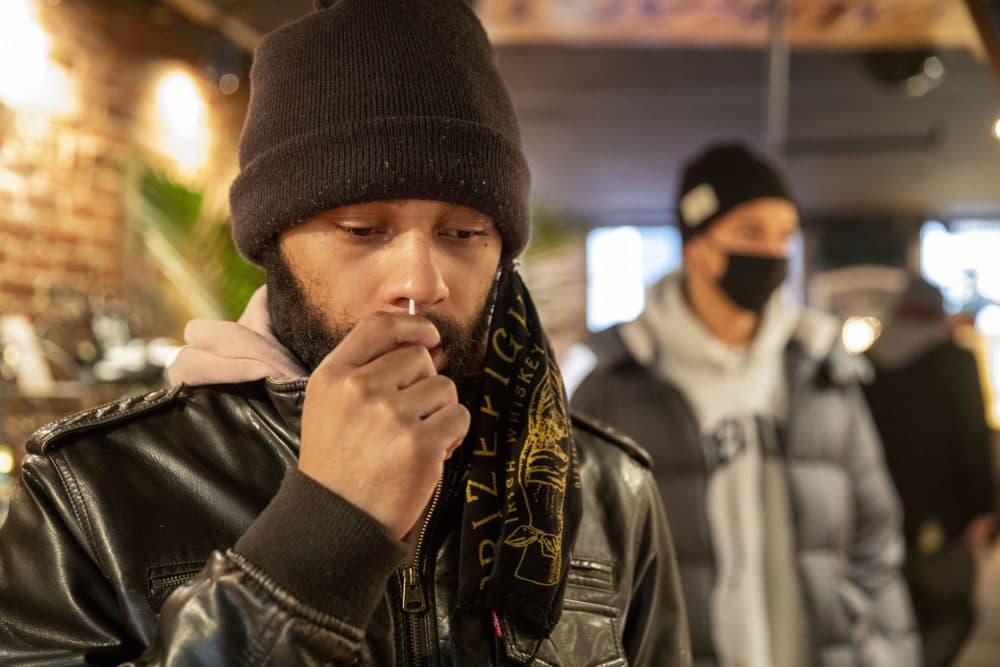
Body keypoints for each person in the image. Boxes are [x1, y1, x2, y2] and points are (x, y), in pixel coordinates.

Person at [0, 1, 691, 664]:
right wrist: (319, 539)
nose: (421, 282)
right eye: (363, 230)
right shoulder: (94, 490)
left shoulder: (606, 488)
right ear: (273, 243)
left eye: (463, 233)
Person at [571, 142, 919, 667]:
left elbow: (876, 537)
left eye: (784, 236)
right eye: (750, 233)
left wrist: (883, 652)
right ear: (697, 247)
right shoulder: (616, 385)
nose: (774, 254)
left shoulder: (824, 372)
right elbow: (586, 567)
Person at [864, 275, 997, 666]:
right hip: (942, 525)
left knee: (889, 624)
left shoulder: (868, 363)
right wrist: (984, 509)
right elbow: (973, 439)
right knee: (946, 618)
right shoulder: (955, 361)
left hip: (878, 525)